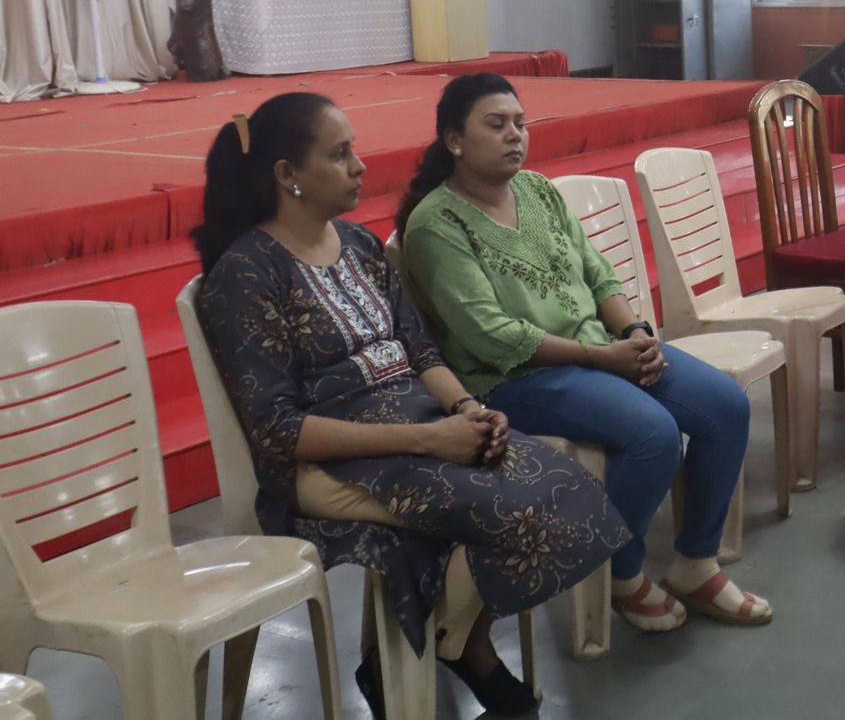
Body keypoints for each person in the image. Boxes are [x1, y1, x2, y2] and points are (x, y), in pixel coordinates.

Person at [193, 92, 628, 719]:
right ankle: (462, 650)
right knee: (507, 508)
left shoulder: (358, 243)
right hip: (324, 462)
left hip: (415, 423)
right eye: (339, 155)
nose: (360, 166)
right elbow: (277, 428)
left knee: (566, 485)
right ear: (288, 175)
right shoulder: (246, 273)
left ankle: (452, 640)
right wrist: (430, 440)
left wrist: (467, 409)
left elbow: (419, 350)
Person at [398, 73, 771, 634]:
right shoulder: (437, 224)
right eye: (496, 125)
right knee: (653, 435)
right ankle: (620, 573)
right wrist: (602, 358)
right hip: (515, 378)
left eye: (520, 123)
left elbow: (598, 272)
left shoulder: (537, 190)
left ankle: (696, 562)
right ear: (454, 140)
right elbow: (488, 334)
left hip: (600, 350)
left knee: (724, 405)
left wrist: (634, 332)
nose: (514, 135)